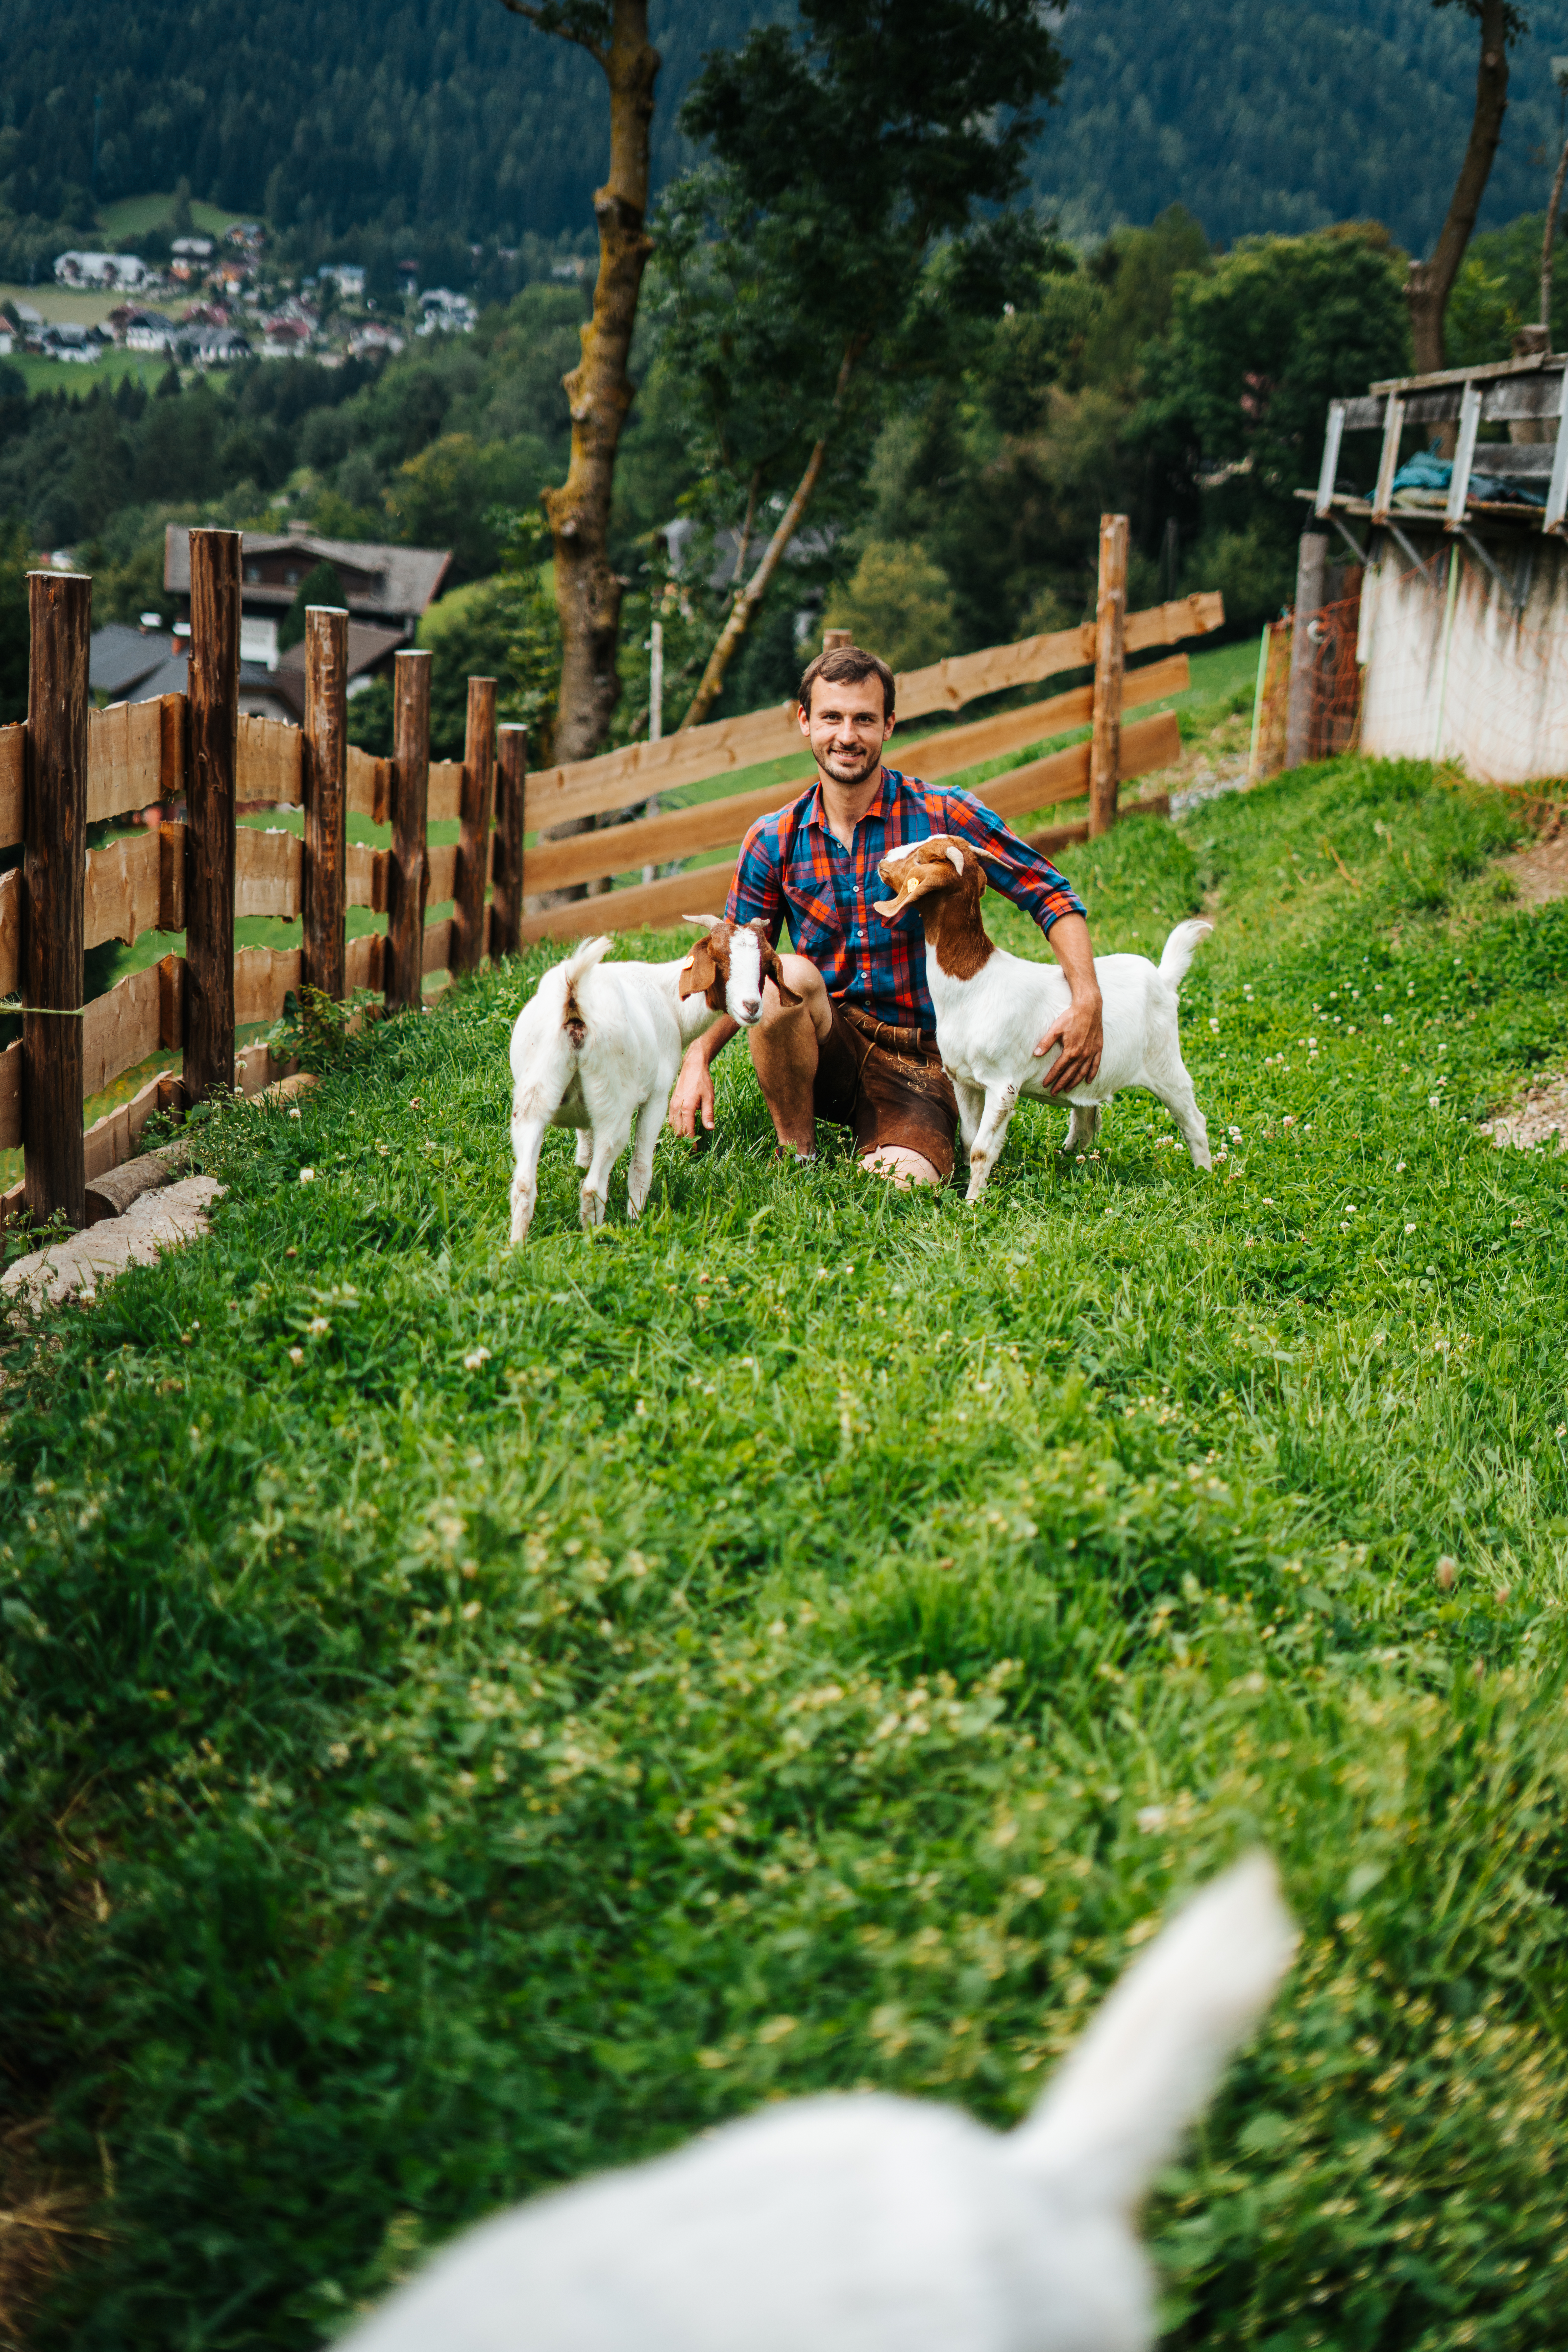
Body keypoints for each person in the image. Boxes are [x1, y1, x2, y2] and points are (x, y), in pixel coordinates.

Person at [668, 643, 1105, 1187]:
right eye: (831, 717)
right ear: (805, 721)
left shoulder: (944, 816)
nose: (847, 736)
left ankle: (900, 1141)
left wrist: (1087, 998)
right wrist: (697, 1058)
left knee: (897, 1185)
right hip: (829, 1045)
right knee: (790, 977)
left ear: (889, 725)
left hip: (923, 1062)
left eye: (864, 720)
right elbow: (739, 965)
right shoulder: (773, 839)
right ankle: (797, 1154)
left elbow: (1049, 893)